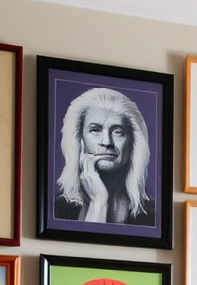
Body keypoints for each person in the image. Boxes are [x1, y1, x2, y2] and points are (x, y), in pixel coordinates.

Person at [54, 86, 153, 226]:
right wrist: (98, 202)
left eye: (118, 132)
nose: (107, 142)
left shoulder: (152, 214)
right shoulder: (56, 210)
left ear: (132, 142)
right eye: (95, 130)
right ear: (80, 140)